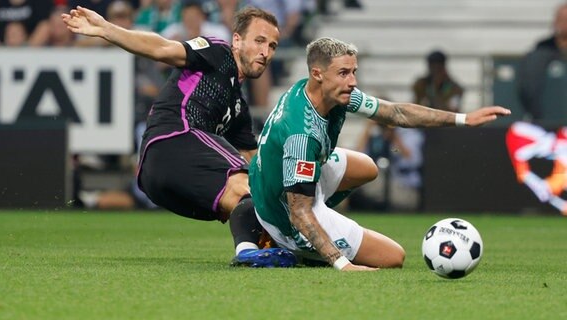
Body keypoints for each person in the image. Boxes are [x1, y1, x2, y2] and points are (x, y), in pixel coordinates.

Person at [248, 37, 511, 271]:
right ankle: (293, 246)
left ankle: (320, 225)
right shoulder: (302, 136)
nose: (353, 82)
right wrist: (341, 263)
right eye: (343, 73)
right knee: (393, 256)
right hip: (284, 212)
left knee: (367, 167)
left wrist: (464, 118)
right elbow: (299, 211)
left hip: (280, 181)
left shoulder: (326, 91)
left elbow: (395, 113)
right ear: (318, 73)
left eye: (353, 72)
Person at [62, 5, 296, 267]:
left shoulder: (238, 108)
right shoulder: (218, 52)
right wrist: (107, 29)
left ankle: (266, 248)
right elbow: (162, 48)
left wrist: (290, 196)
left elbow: (256, 163)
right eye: (260, 41)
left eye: (273, 46)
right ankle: (250, 250)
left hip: (159, 182)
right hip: (172, 140)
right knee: (250, 186)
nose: (266, 53)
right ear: (238, 40)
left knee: (254, 197)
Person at [517, 3, 567, 121]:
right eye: (561, 19)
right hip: (546, 116)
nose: (563, 24)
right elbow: (529, 85)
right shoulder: (543, 48)